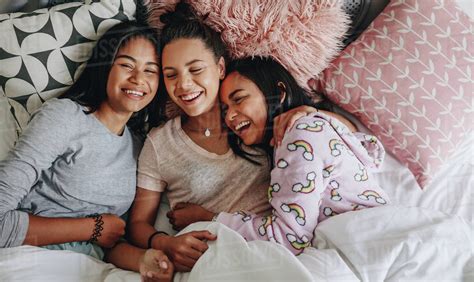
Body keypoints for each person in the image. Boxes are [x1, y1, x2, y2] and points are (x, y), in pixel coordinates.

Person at [126, 2, 330, 272]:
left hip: (281, 245)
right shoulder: (160, 143)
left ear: (220, 68)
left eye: (196, 70)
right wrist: (163, 242)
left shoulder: (251, 117)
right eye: (170, 75)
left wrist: (306, 113)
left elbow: (336, 137)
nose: (184, 85)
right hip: (214, 258)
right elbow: (138, 225)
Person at [0, 22, 173, 281]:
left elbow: (111, 240)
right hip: (30, 258)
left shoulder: (139, 146)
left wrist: (143, 259)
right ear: (104, 67)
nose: (138, 79)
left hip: (91, 268)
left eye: (151, 70)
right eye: (126, 65)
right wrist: (92, 228)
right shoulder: (65, 117)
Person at [177, 57, 391, 255]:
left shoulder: (300, 135)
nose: (230, 116)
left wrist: (209, 218)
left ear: (279, 92)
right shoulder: (312, 127)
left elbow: (289, 238)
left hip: (368, 243)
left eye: (239, 99)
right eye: (224, 109)